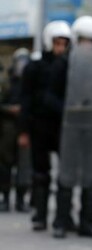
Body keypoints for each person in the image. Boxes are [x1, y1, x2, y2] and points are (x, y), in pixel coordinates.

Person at [54, 15, 92, 239]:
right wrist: (69, 107)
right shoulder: (63, 64)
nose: (89, 45)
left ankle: (88, 221)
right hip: (71, 128)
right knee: (66, 176)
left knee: (91, 177)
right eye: (85, 40)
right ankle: (62, 221)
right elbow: (50, 96)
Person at [20, 21, 72, 233]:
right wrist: (23, 130)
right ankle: (40, 216)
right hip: (40, 126)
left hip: (63, 127)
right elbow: (26, 99)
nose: (60, 48)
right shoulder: (35, 67)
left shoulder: (70, 65)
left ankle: (63, 218)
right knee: (40, 173)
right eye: (57, 43)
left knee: (66, 175)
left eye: (63, 44)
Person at [0, 48, 31, 212]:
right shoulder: (7, 83)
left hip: (25, 127)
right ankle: (5, 197)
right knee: (5, 164)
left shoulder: (31, 83)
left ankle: (21, 199)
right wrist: (10, 109)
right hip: (8, 128)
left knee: (24, 166)